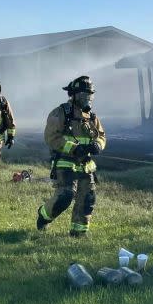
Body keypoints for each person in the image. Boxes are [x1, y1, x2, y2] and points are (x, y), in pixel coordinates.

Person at [37, 76, 107, 237]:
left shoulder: (92, 118)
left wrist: (98, 144)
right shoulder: (61, 112)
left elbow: (102, 136)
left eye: (89, 95)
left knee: (87, 199)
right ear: (73, 95)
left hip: (86, 165)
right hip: (65, 163)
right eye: (83, 95)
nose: (87, 99)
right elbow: (51, 137)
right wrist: (74, 149)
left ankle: (78, 233)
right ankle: (43, 215)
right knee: (65, 196)